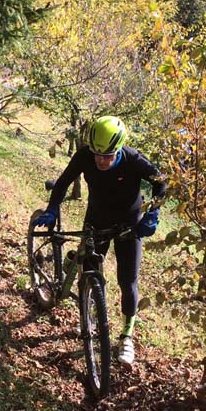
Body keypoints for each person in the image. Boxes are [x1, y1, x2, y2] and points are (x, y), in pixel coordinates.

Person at [32, 115, 166, 368]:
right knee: (89, 272)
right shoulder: (85, 155)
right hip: (97, 218)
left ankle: (127, 336)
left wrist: (153, 212)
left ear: (118, 148)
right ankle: (89, 306)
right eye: (96, 155)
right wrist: (52, 209)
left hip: (129, 224)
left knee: (128, 281)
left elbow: (161, 182)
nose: (100, 161)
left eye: (108, 156)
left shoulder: (133, 159)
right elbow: (62, 183)